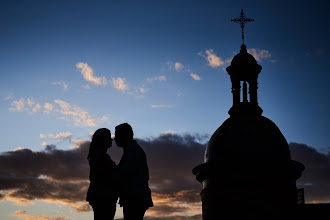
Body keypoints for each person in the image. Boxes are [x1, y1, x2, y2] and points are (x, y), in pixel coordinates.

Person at [113, 123, 153, 220]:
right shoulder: (131, 149)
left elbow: (124, 172)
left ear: (124, 135)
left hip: (135, 197)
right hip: (134, 196)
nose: (115, 138)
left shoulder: (133, 150)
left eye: (117, 135)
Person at [86, 128, 118, 220]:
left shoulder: (99, 155)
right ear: (103, 140)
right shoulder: (101, 157)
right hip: (103, 196)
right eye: (109, 137)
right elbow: (104, 177)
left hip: (101, 195)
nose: (111, 140)